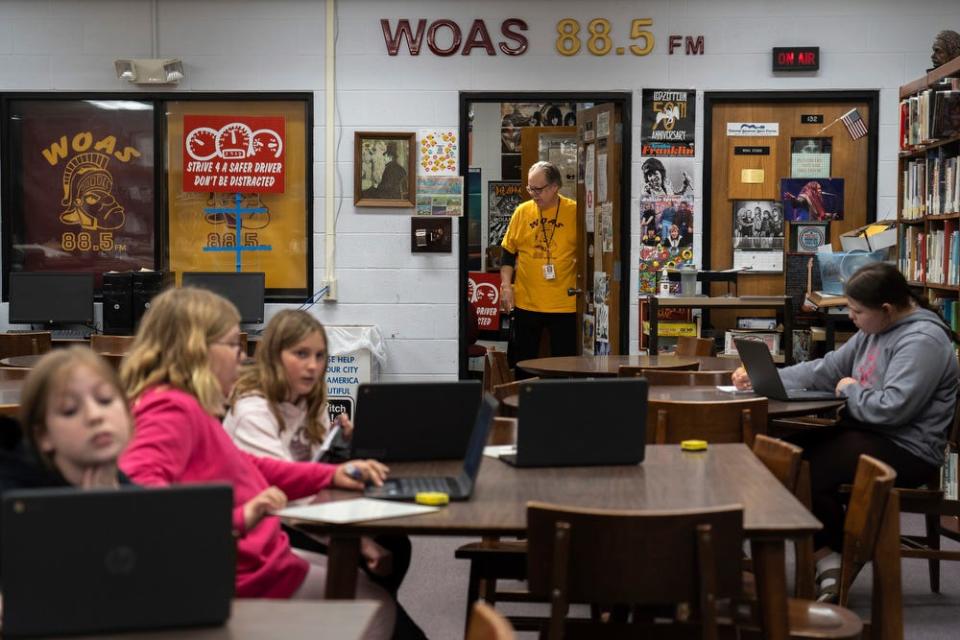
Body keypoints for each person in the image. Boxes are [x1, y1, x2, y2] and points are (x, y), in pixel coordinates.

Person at [118, 288, 396, 639]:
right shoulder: (170, 409)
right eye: (233, 345)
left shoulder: (189, 407)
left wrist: (332, 473)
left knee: (363, 580)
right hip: (243, 572)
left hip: (257, 556)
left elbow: (249, 465)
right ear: (196, 348)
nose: (241, 357)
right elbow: (139, 503)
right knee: (376, 609)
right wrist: (238, 519)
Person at [731, 263, 959, 602]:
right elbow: (828, 370)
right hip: (869, 432)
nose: (850, 317)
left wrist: (850, 390)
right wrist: (771, 378)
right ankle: (829, 556)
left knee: (804, 467)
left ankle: (831, 557)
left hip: (908, 448)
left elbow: (892, 410)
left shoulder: (923, 341)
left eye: (856, 311)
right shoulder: (874, 329)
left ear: (886, 310)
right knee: (777, 454)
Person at [223, 310, 417, 601]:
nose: (313, 366)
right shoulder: (253, 410)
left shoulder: (310, 399)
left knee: (396, 544)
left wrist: (347, 447)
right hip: (271, 521)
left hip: (306, 510)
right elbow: (287, 489)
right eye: (301, 354)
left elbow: (317, 466)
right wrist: (360, 541)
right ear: (274, 356)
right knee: (371, 558)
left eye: (319, 355)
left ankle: (355, 616)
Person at [1, 348, 135, 583]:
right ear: (43, 436)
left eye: (105, 400)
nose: (95, 415)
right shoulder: (13, 512)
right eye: (69, 410)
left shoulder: (140, 500)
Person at [500, 161, 578, 369]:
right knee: (524, 363)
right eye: (530, 188)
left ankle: (563, 402)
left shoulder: (574, 212)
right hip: (527, 302)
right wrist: (506, 286)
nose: (533, 194)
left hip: (564, 303)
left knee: (565, 365)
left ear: (554, 187)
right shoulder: (522, 212)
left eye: (538, 189)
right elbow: (507, 254)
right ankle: (523, 400)